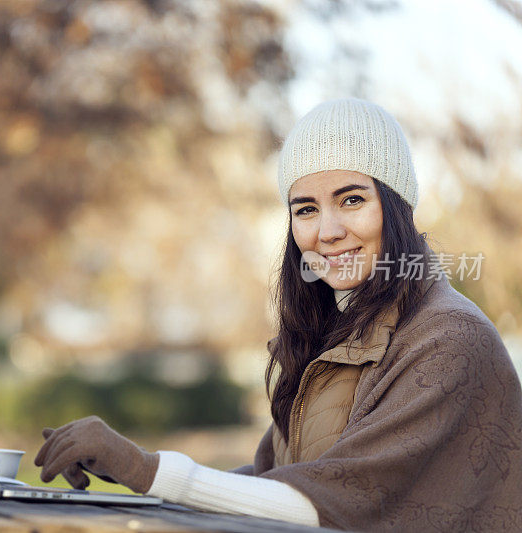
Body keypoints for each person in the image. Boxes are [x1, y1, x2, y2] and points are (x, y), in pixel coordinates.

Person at [34, 98, 522, 531]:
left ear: (397, 208)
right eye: (305, 209)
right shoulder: (332, 334)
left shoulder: (449, 338)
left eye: (352, 200)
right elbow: (275, 485)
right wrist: (128, 471)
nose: (327, 230)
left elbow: (335, 503)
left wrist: (150, 470)